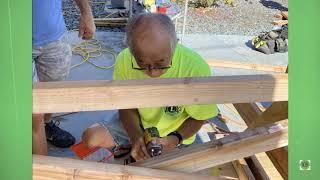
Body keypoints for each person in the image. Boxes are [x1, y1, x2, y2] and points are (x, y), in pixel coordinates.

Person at [82, 13, 218, 161]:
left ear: (175, 45)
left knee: (163, 170)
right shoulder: (124, 59)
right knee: (90, 138)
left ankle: (139, 149)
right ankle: (132, 145)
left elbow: (200, 118)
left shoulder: (195, 67)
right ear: (131, 51)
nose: (153, 72)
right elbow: (126, 107)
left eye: (161, 63)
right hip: (139, 123)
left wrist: (176, 138)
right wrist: (136, 137)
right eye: (142, 64)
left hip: (176, 133)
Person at [32, 0, 96, 155]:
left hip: (54, 38)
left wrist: (86, 13)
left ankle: (46, 124)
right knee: (33, 111)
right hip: (13, 41)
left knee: (52, 92)